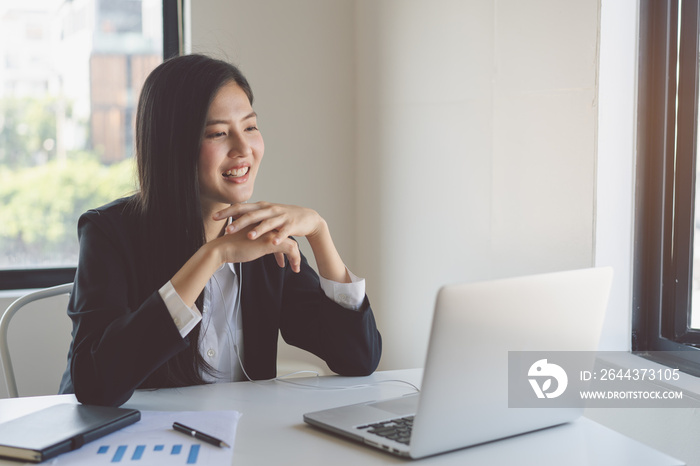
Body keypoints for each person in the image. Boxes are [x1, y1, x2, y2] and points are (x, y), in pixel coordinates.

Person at [58, 54, 382, 407]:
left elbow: (358, 358)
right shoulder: (108, 233)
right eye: (218, 133)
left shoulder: (263, 237)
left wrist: (319, 233)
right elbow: (95, 385)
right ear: (173, 145)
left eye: (250, 127)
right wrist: (215, 255)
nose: (244, 150)